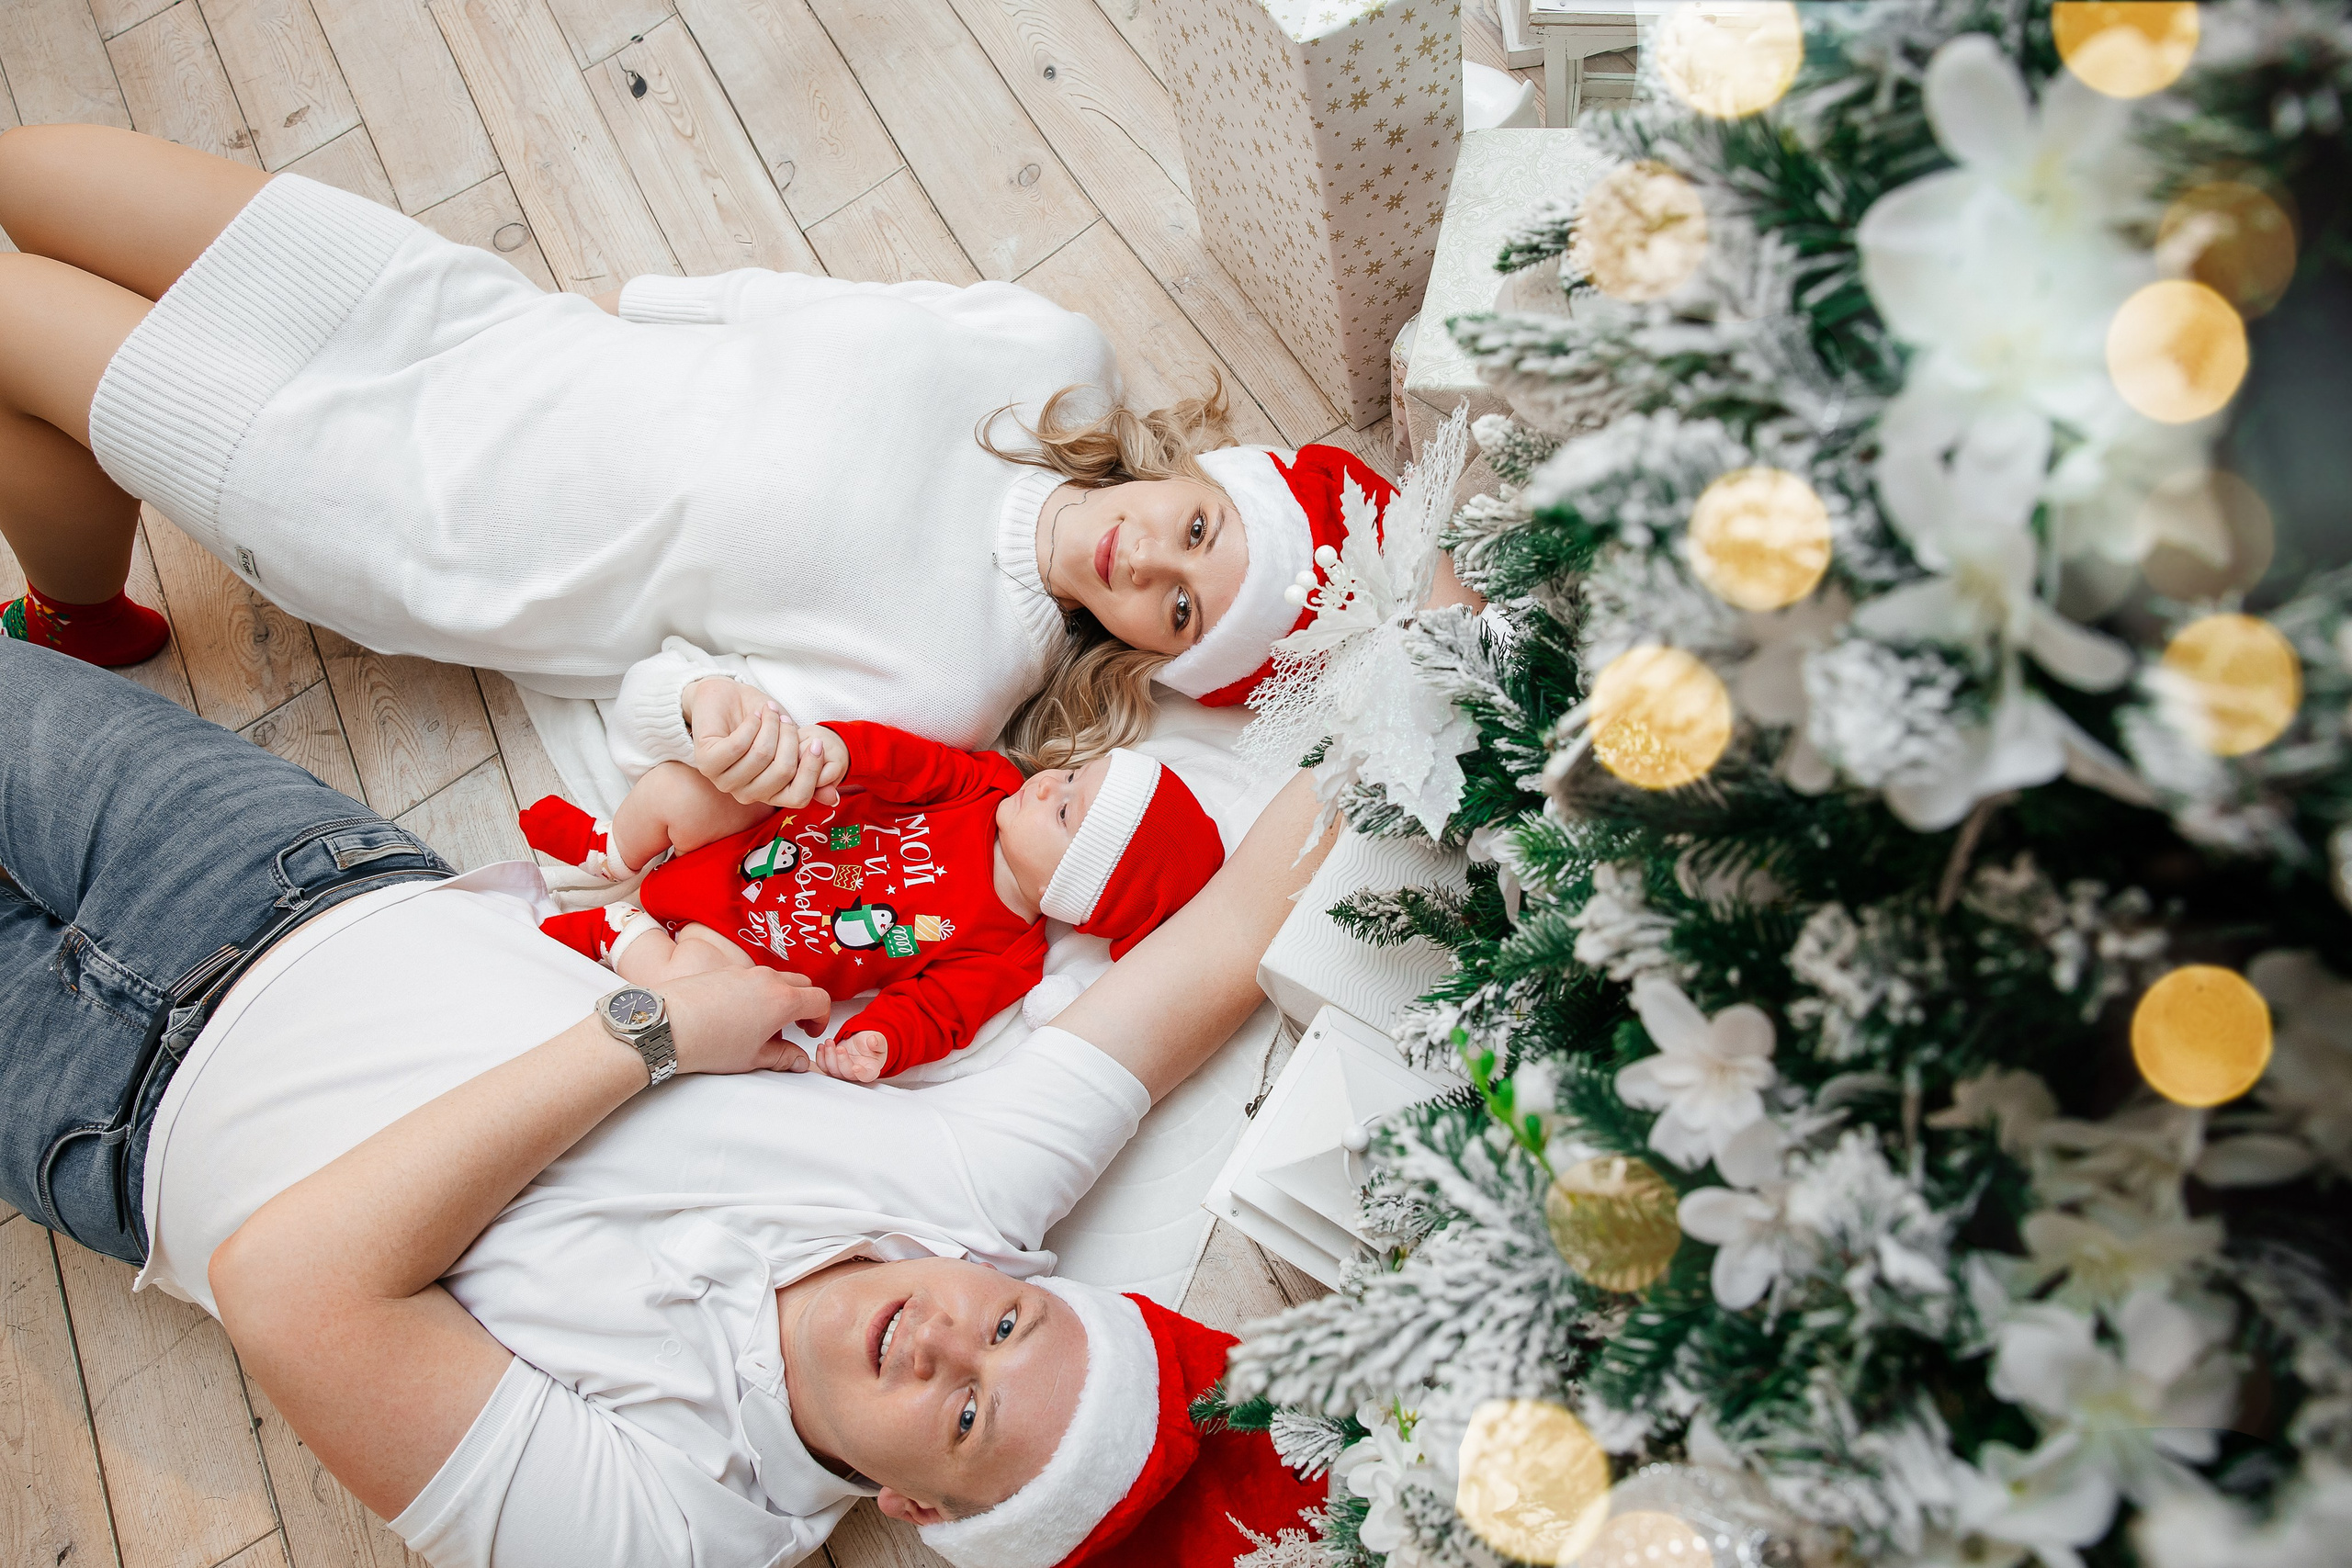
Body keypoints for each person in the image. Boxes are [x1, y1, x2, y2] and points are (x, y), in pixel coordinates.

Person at [0, 634, 1340, 1568]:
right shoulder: (970, 1199)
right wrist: (1434, 623)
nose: (946, 1332)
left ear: (918, 1501)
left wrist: (649, 1034)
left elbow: (287, 1284)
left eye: (968, 1411)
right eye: (1010, 1317)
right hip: (287, 874)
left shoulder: (677, 1523)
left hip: (103, 1103)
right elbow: (1227, 938)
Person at [0, 124, 1414, 803]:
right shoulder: (1054, 350)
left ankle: (77, 609)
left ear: (1141, 653)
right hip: (465, 325)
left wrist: (721, 719)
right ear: (1206, 476)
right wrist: (647, 311)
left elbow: (649, 708)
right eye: (1201, 536)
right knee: (36, 169)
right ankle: (84, 608)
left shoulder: (953, 679)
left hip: (390, 498)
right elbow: (815, 309)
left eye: (1178, 612)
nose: (1155, 563)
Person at [520, 721, 1223, 1082]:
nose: (1047, 785)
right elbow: (908, 760)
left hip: (745, 939)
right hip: (751, 833)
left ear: (1070, 893)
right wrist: (841, 753)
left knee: (689, 995)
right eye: (1069, 775)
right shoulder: (982, 787)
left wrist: (880, 1041)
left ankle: (619, 929)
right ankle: (609, 847)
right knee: (679, 789)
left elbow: (937, 1013)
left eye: (1066, 812)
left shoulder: (1005, 953)